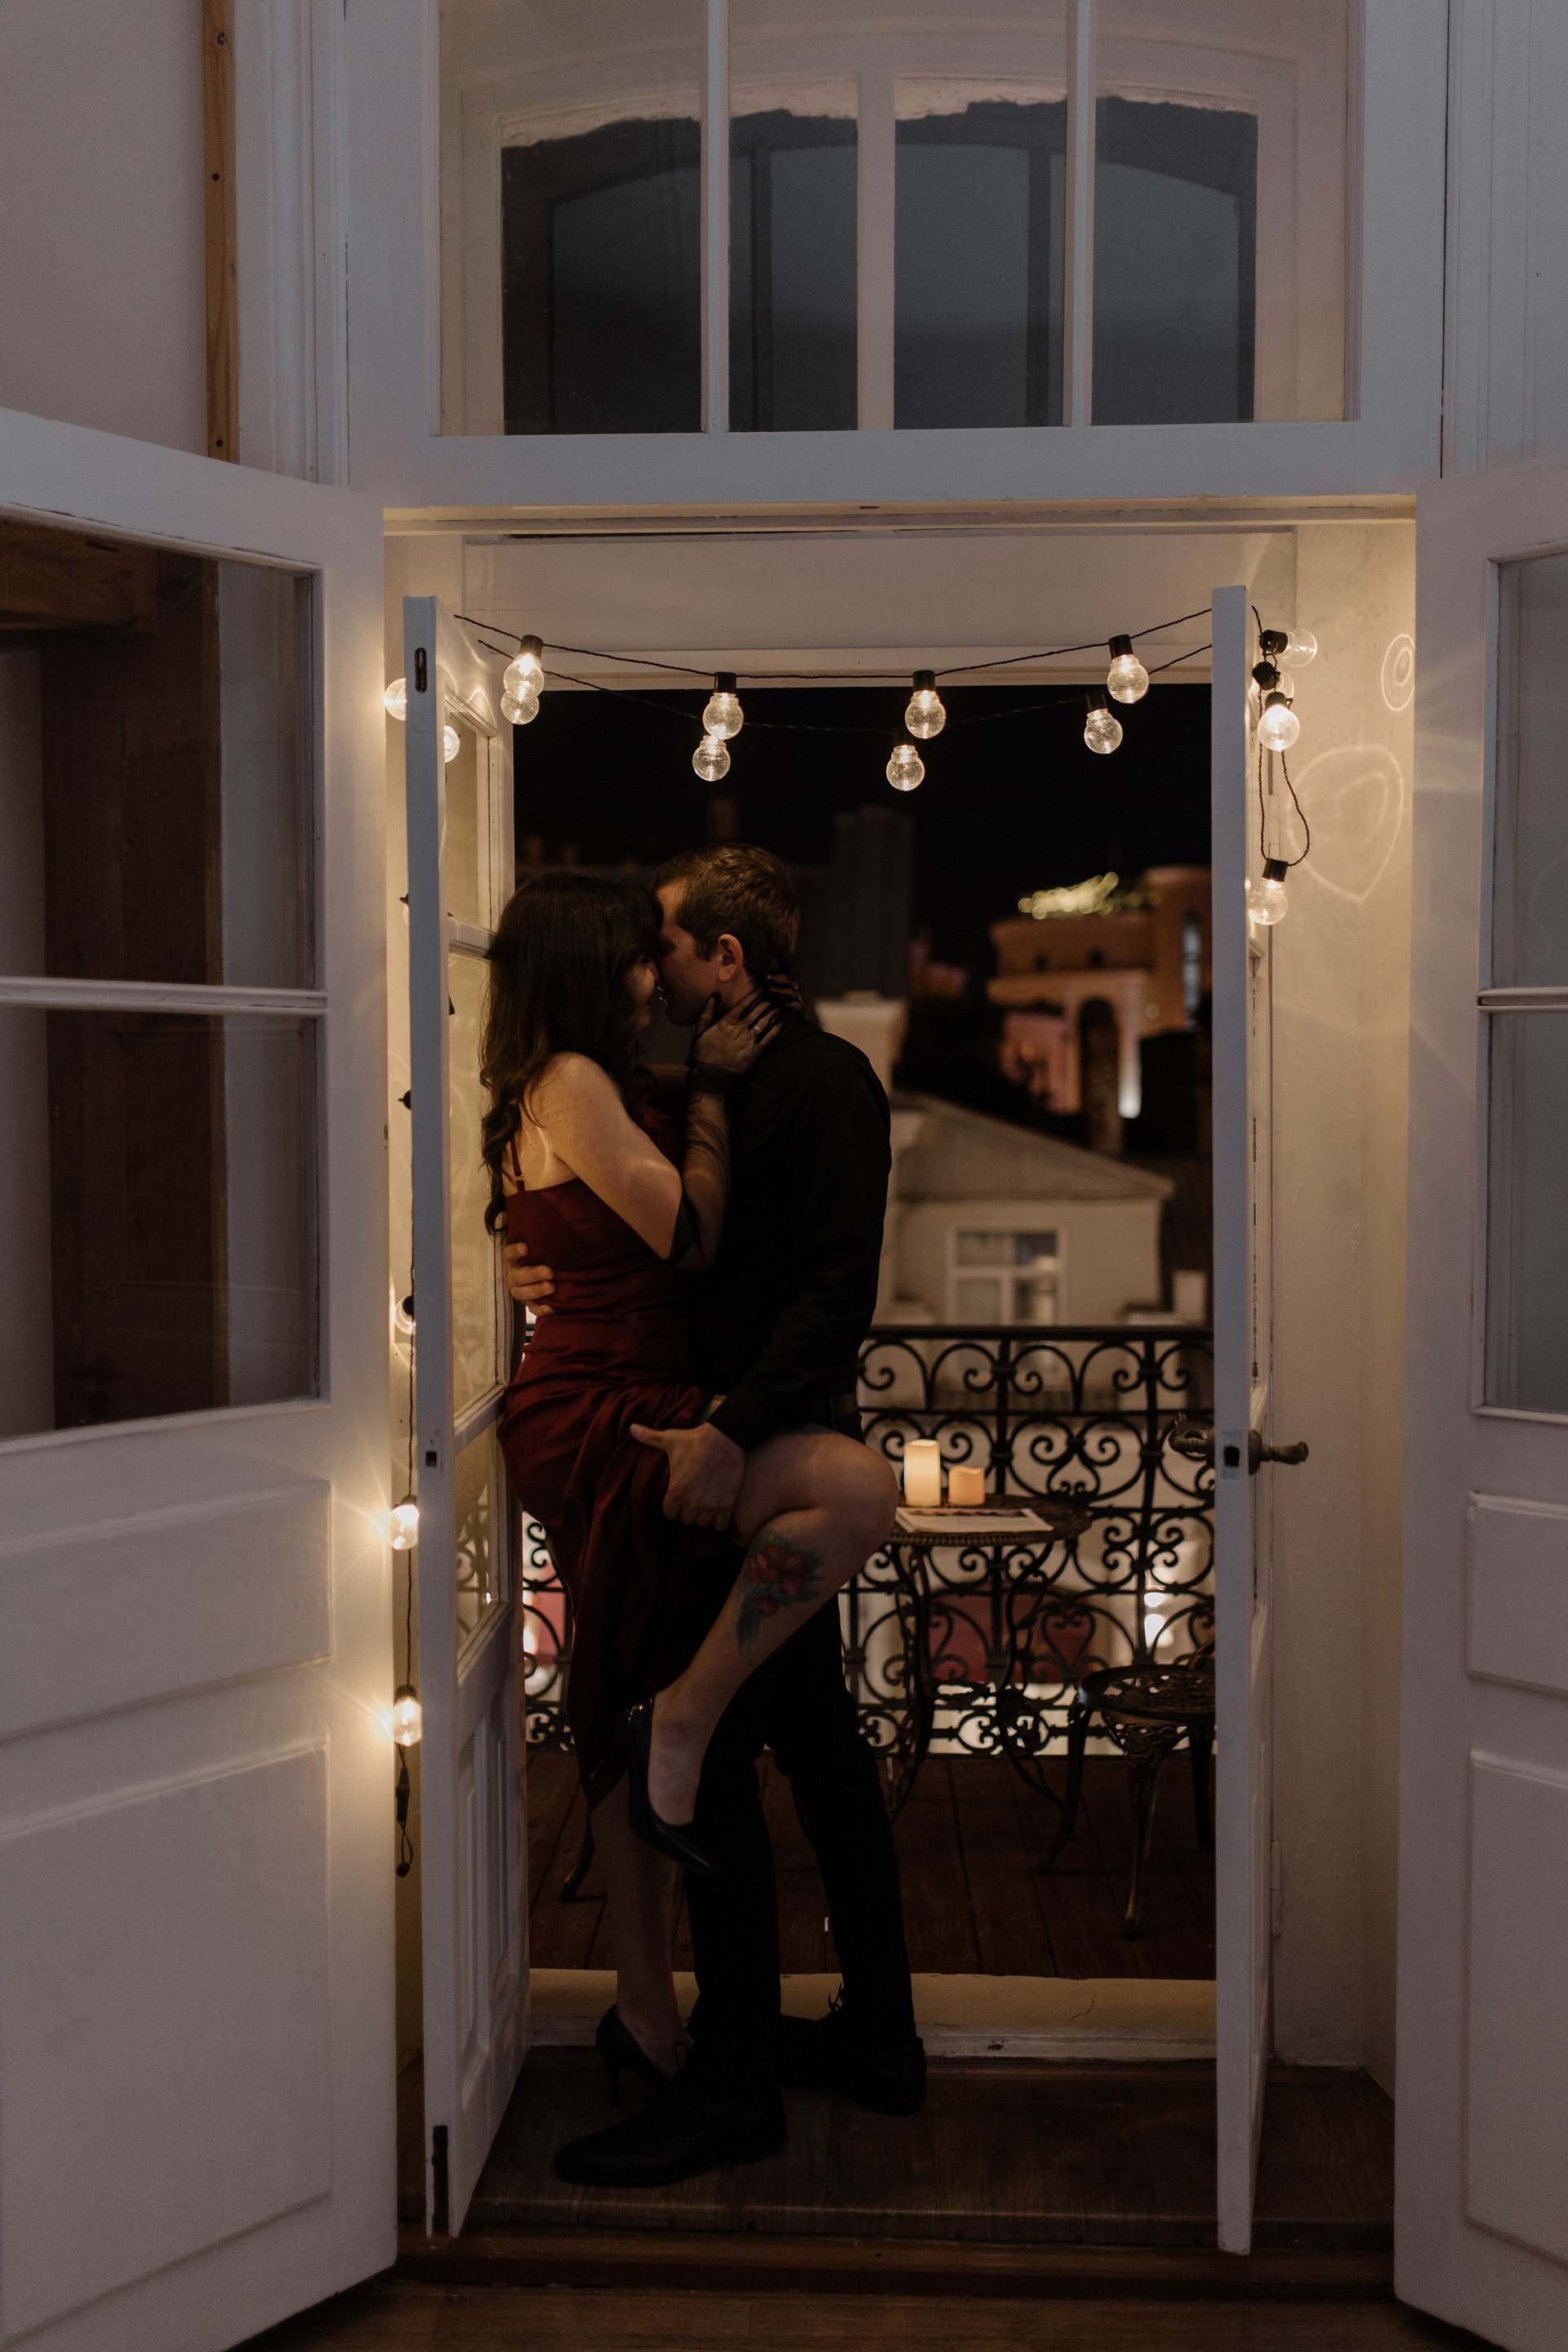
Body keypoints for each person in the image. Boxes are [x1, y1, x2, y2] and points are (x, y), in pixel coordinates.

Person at [506, 844, 925, 2189]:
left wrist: (735, 1427)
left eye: (669, 945)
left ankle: (786, 2057)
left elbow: (830, 1297)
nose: (655, 970)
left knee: (778, 1752)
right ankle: (801, 2047)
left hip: (725, 1441)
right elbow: (622, 1212)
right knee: (774, 1753)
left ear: (723, 959)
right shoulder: (666, 1082)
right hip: (673, 1434)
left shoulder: (821, 1083)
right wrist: (528, 1251)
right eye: (639, 952)